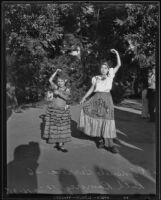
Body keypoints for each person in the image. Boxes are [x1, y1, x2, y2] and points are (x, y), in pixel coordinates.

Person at [79, 49, 121, 154]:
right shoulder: (96, 78)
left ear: (108, 69)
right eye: (102, 67)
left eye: (105, 68)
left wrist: (116, 53)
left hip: (107, 99)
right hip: (96, 99)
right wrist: (84, 98)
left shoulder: (111, 75)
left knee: (108, 120)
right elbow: (92, 89)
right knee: (98, 119)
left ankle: (110, 145)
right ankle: (101, 140)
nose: (103, 69)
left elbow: (119, 65)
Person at [43, 68, 71, 152]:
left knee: (62, 127)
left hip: (63, 110)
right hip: (54, 110)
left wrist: (59, 93)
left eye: (61, 81)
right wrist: (56, 72)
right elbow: (50, 80)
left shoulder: (67, 89)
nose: (59, 83)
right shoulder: (56, 87)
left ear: (65, 81)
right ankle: (57, 142)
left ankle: (61, 145)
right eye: (58, 81)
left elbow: (68, 98)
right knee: (55, 127)